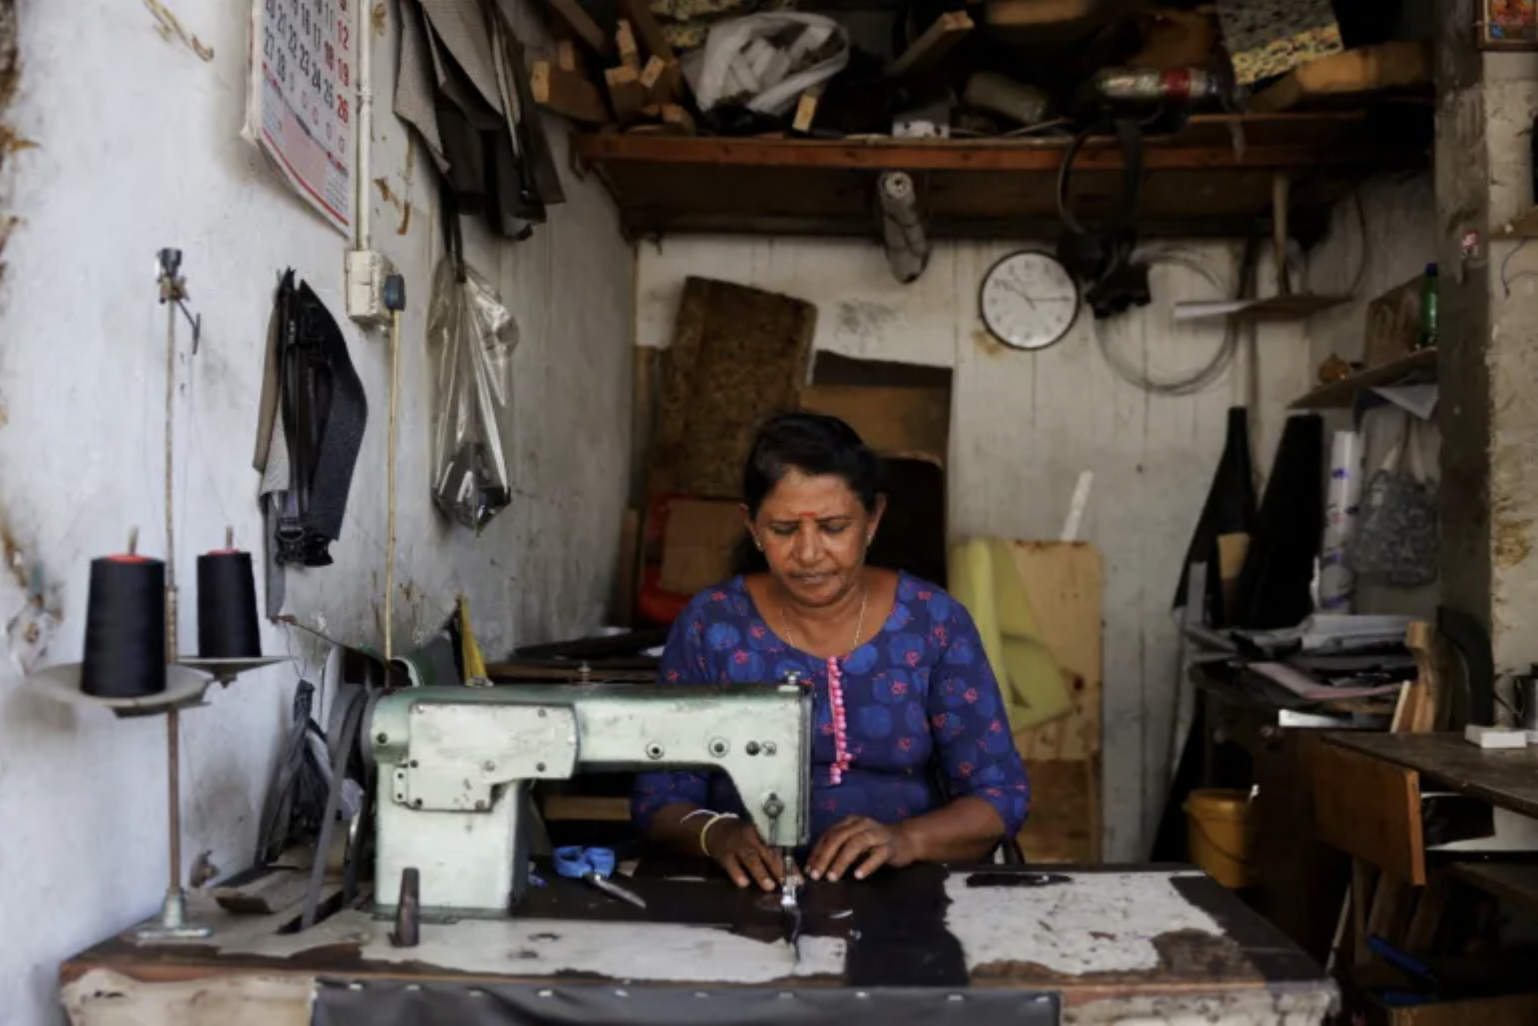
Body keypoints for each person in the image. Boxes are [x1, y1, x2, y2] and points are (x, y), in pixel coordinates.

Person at [631, 411, 1030, 890]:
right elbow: (659, 799)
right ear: (752, 526)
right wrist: (720, 835)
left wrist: (906, 840)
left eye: (834, 527)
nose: (809, 552)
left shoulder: (932, 622)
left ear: (872, 520)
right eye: (783, 529)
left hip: (908, 892)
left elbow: (999, 795)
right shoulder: (712, 626)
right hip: (745, 895)